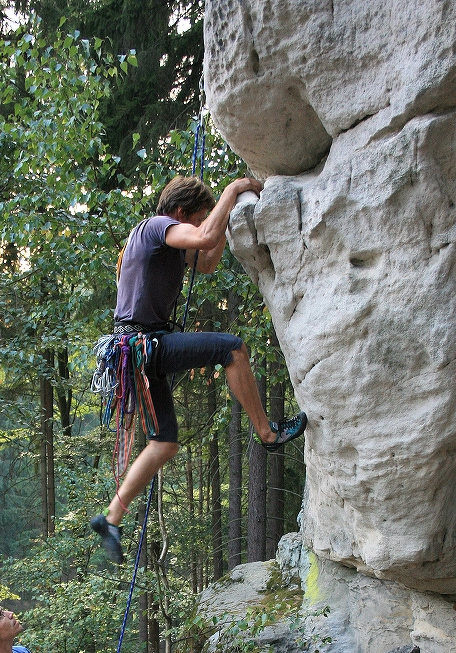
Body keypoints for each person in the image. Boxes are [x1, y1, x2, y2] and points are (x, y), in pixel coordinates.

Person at [90, 174, 308, 564]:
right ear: (179, 213)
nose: (202, 223)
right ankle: (267, 433)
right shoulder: (156, 227)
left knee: (164, 443)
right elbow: (204, 239)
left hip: (136, 352)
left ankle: (111, 517)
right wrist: (233, 190)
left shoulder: (167, 245)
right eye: (198, 217)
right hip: (144, 344)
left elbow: (206, 260)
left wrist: (220, 218)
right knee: (233, 349)